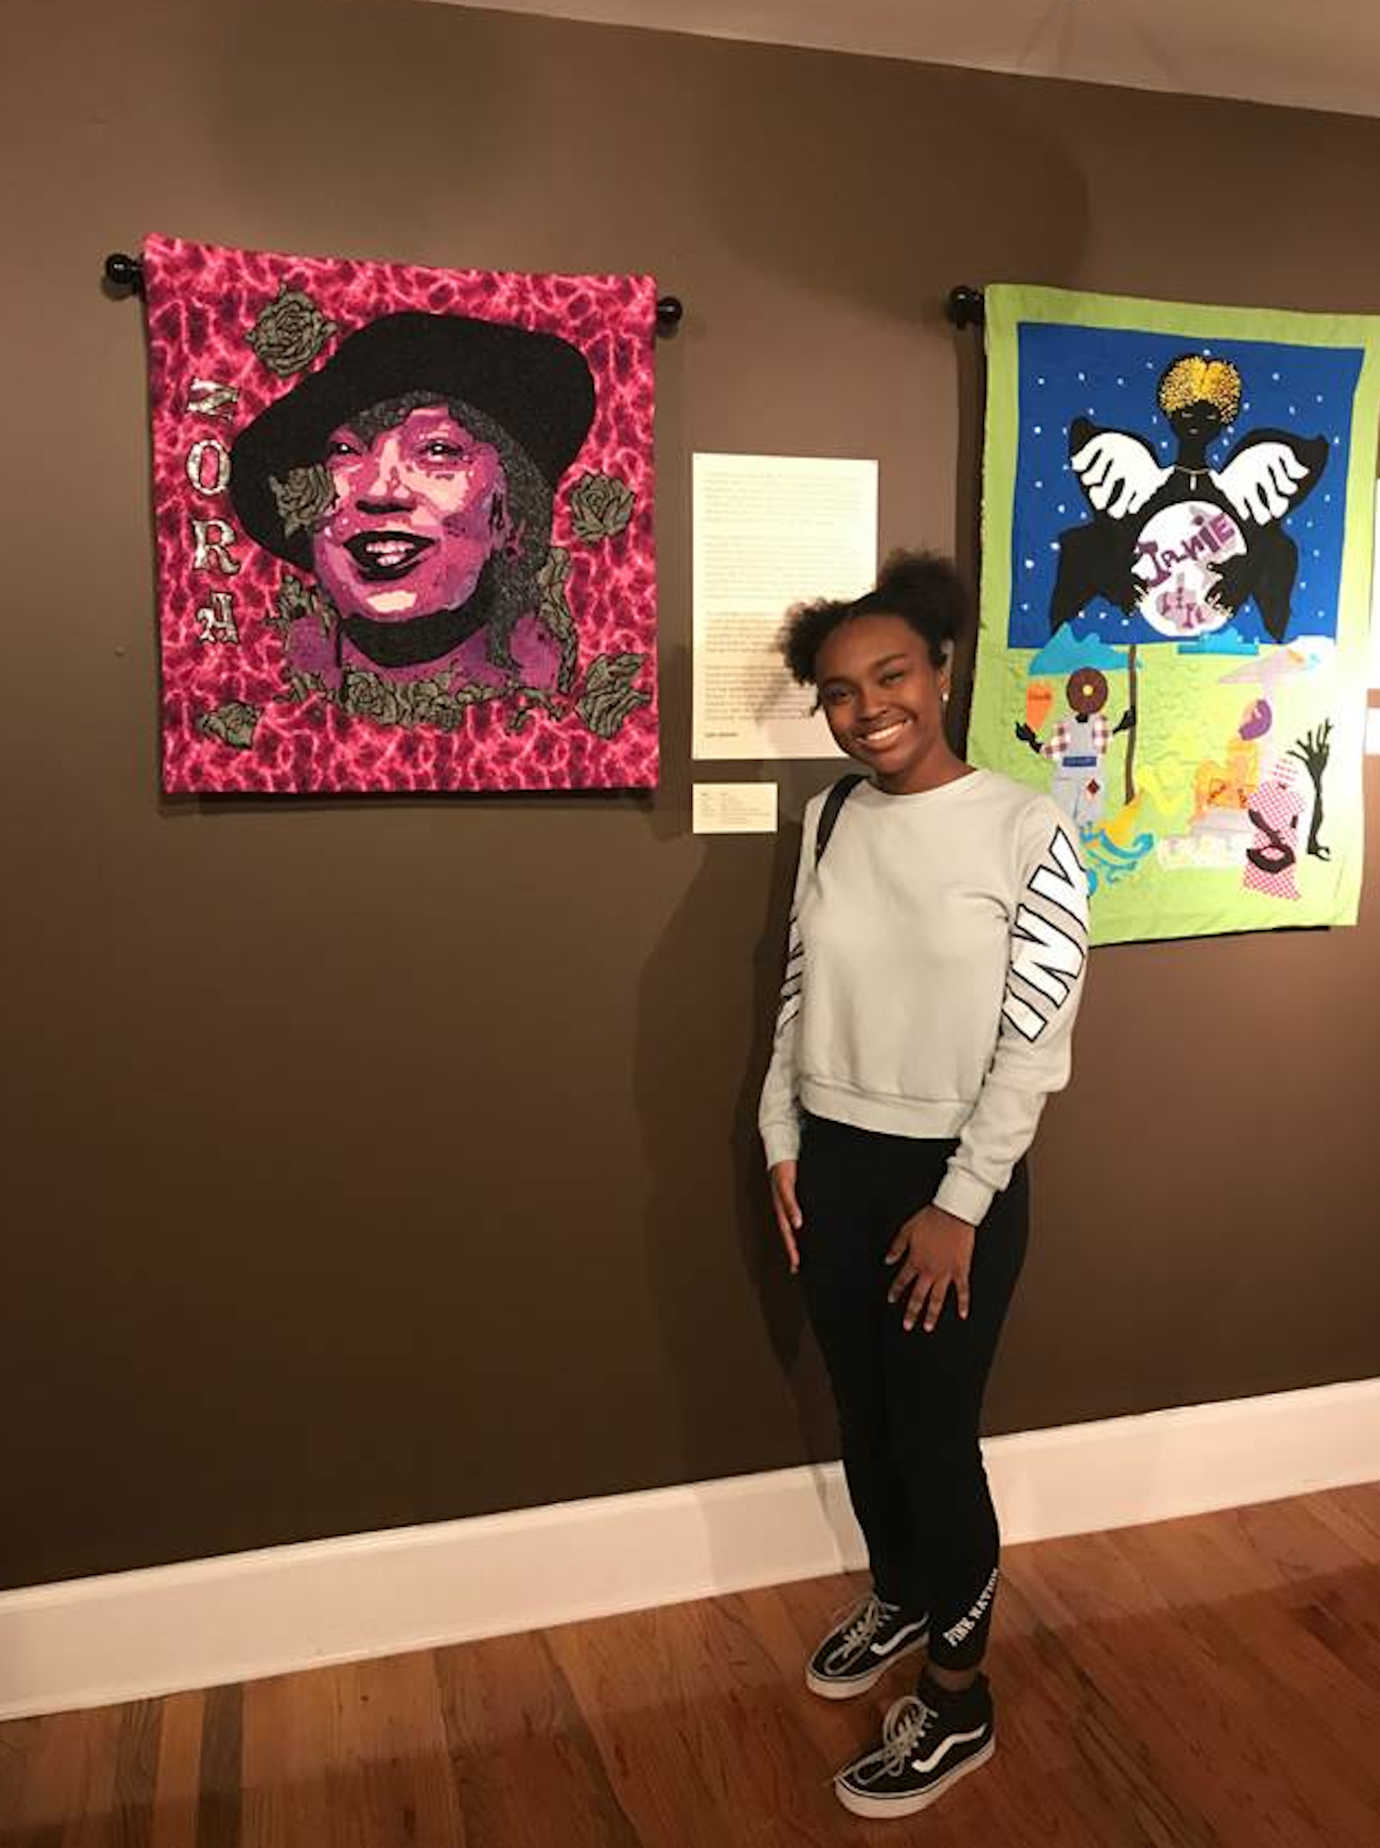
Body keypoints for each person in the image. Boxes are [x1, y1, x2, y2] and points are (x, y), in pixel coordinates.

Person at [758, 551, 1088, 1821]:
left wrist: (960, 1204)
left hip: (955, 1177)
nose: (865, 706)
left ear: (943, 671)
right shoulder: (831, 816)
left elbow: (1036, 1039)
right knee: (862, 1409)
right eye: (839, 691)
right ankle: (899, 1595)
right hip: (832, 1160)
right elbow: (800, 986)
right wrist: (779, 1136)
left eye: (889, 674)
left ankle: (958, 1700)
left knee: (936, 1441)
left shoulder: (1027, 825)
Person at [230, 310, 595, 687]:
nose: (380, 492)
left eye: (437, 449)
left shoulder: (543, 714)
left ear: (513, 518)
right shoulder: (268, 691)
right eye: (345, 451)